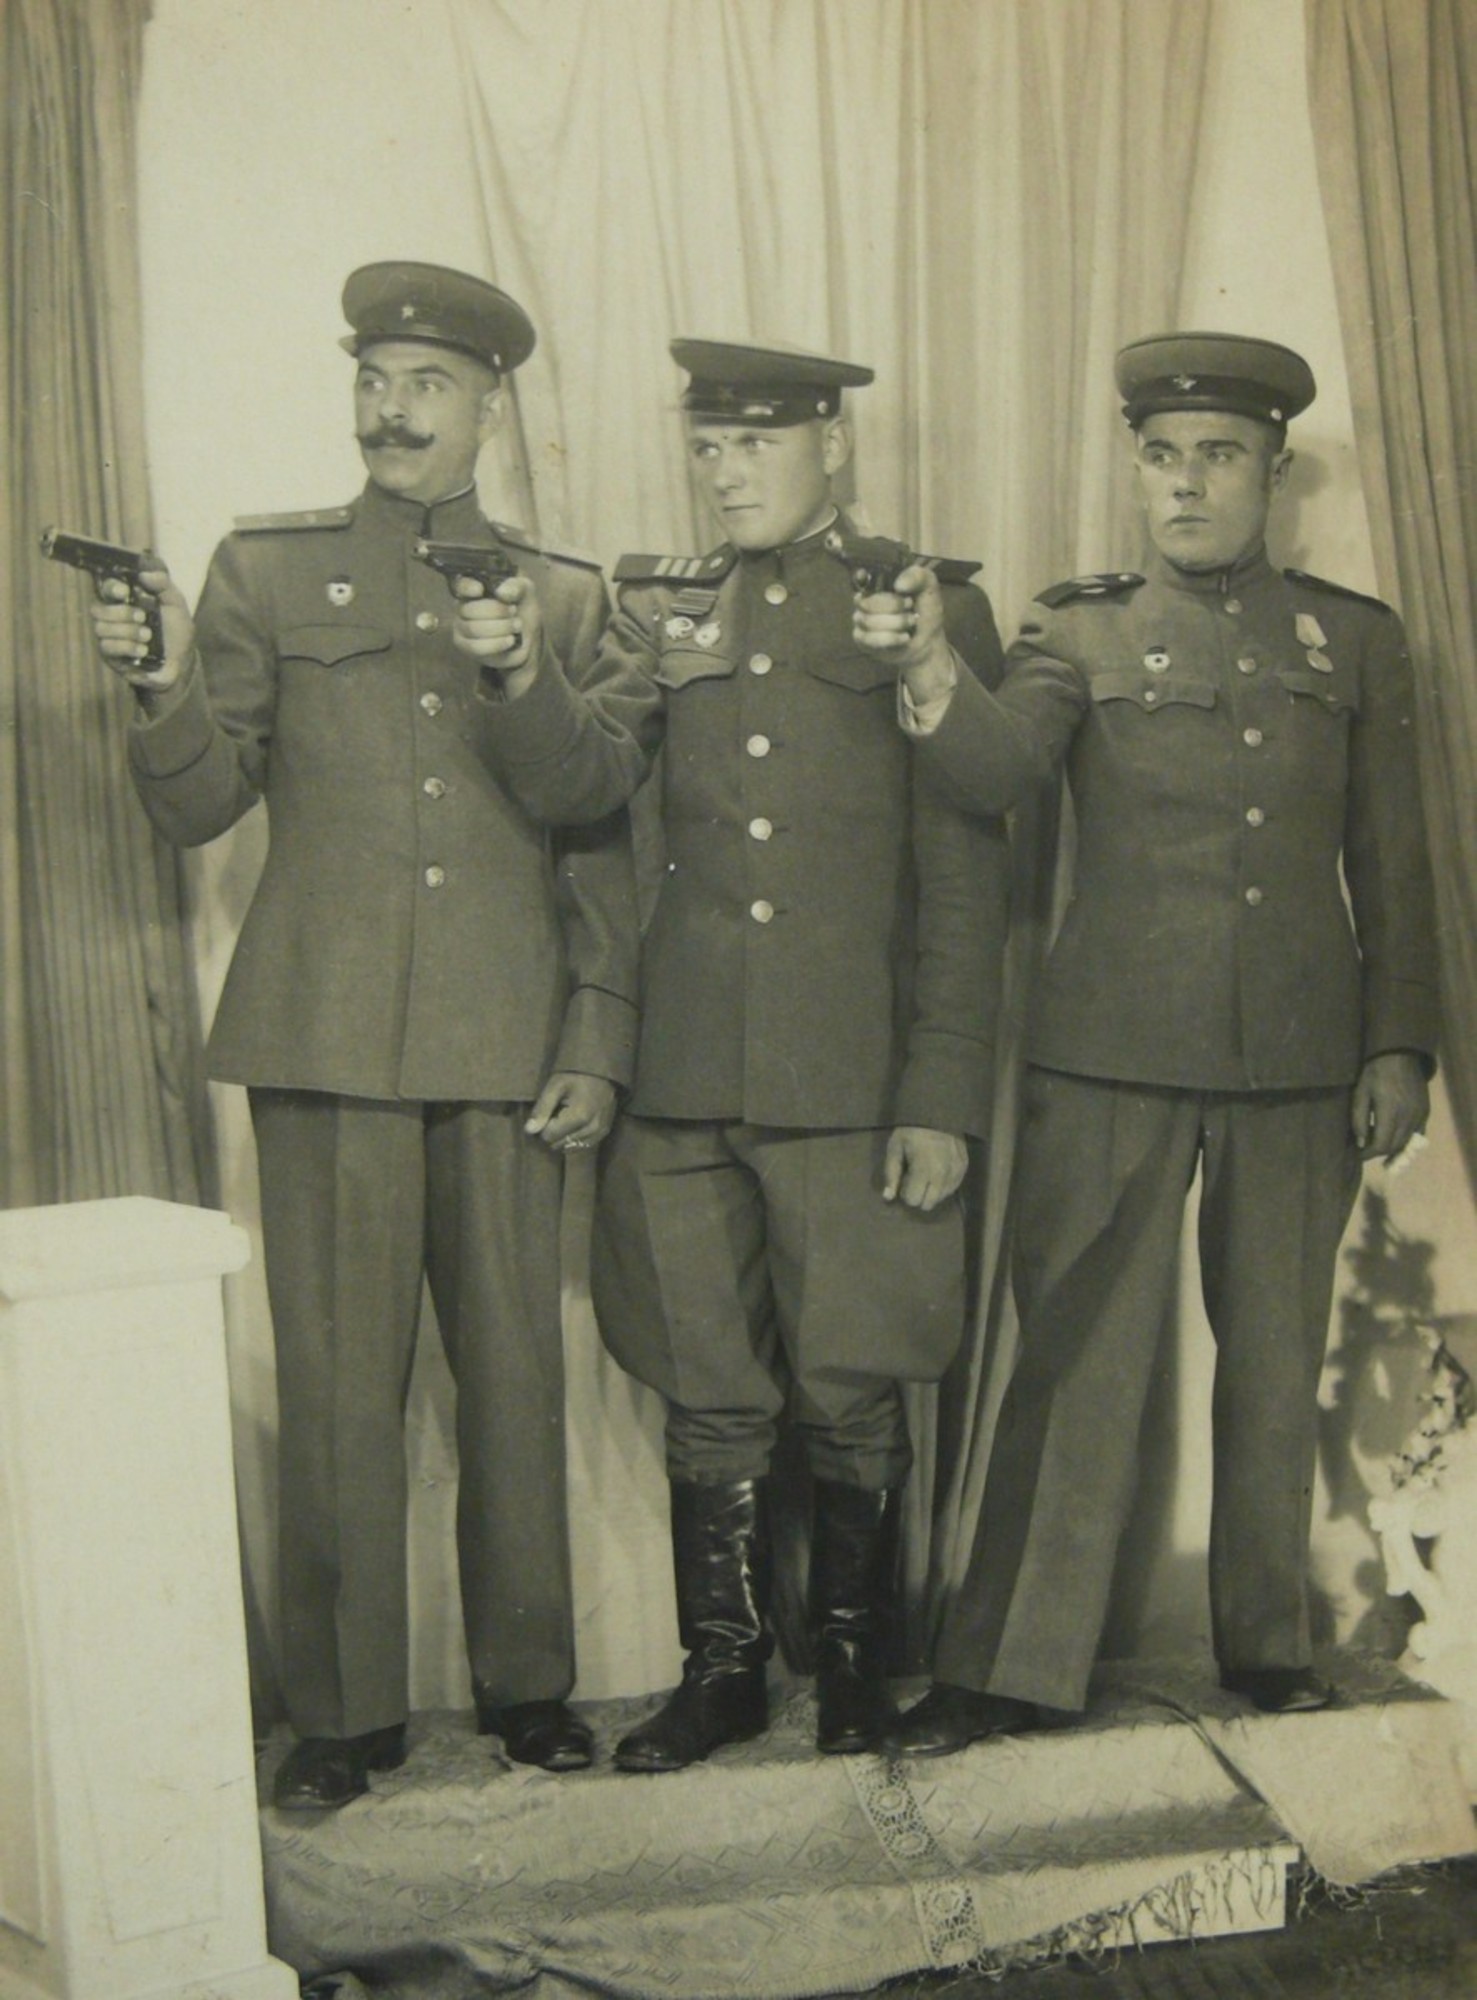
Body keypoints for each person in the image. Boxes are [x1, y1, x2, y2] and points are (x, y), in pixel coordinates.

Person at [90, 261, 638, 1808]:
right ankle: (340, 1715)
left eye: (427, 386)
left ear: (489, 407)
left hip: (507, 1040)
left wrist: (593, 1037)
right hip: (325, 1035)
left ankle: (528, 1687)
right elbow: (202, 802)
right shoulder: (265, 571)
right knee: (337, 1388)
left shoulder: (563, 597)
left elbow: (595, 807)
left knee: (515, 1381)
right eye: (373, 379)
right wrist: (161, 683)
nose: (391, 412)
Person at [877, 331, 1438, 1756]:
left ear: (1271, 476)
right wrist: (932, 675)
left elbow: (1394, 859)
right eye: (1161, 457)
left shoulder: (1355, 640)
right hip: (1111, 1054)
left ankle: (1267, 1646)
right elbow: (998, 771)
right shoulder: (1077, 630)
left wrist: (1400, 1044)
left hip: (1300, 1058)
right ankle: (1010, 1665)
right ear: (1136, 470)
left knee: (1275, 1365)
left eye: (1218, 457)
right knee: (1072, 1360)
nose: (1184, 484)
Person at [455, 337, 1010, 1768]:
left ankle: (853, 1667)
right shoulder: (666, 607)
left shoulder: (920, 606)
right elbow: (585, 780)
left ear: (834, 446)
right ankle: (724, 1674)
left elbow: (963, 878)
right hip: (686, 1071)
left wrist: (942, 1091)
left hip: (852, 1072)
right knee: (706, 1385)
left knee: (852, 1380)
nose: (725, 471)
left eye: (757, 443)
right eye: (707, 445)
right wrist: (517, 671)